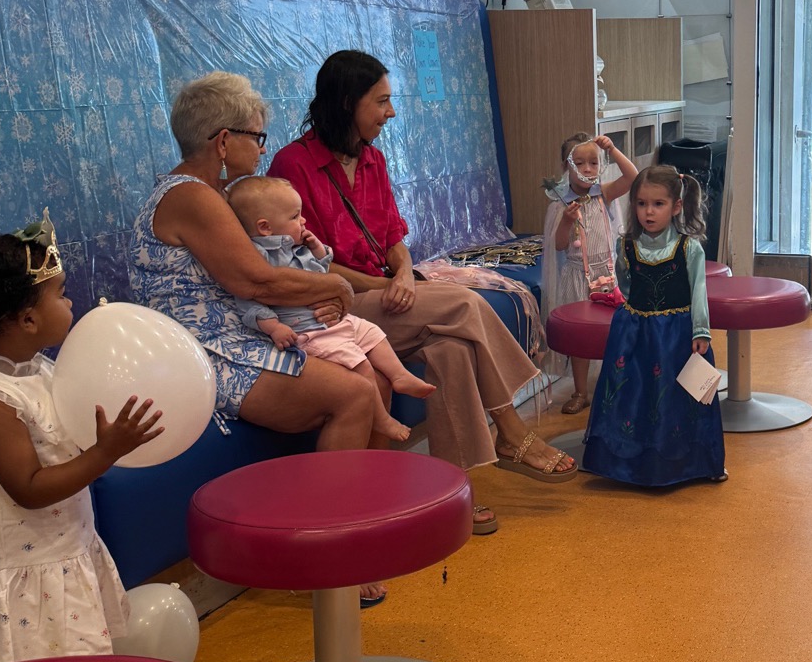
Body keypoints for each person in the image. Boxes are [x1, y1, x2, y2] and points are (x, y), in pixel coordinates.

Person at [128, 71, 400, 603]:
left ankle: (356, 528)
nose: (261, 149)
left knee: (365, 365)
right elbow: (253, 279)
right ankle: (327, 556)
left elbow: (265, 274)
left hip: (240, 335)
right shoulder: (192, 197)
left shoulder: (209, 194)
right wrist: (334, 285)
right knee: (353, 393)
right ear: (224, 141)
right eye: (257, 137)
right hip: (205, 353)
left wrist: (323, 292)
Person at [270, 51, 574, 512]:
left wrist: (406, 274)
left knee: (451, 350)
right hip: (336, 308)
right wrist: (385, 287)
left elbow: (394, 236)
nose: (391, 113)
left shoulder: (372, 160)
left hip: (386, 297)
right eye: (382, 102)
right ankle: (512, 430)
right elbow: (306, 261)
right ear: (348, 102)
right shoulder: (292, 165)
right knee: (464, 304)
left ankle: (455, 496)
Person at [0, 217, 161, 662]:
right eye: (61, 293)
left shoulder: (38, 369)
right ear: (28, 319)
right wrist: (106, 452)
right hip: (23, 581)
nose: (70, 302)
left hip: (62, 556)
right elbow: (29, 488)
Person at [227, 176, 436, 446]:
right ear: (265, 227)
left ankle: (399, 376)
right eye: (295, 216)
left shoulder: (296, 248)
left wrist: (318, 252)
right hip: (309, 332)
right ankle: (381, 418)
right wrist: (273, 327)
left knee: (372, 333)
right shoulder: (257, 258)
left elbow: (319, 274)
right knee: (360, 364)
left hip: (333, 322)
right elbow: (249, 303)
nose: (303, 222)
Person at [581, 165, 726, 488]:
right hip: (634, 334)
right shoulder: (627, 245)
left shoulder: (689, 248)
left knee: (677, 400)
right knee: (633, 395)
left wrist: (700, 331)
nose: (649, 212)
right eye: (642, 203)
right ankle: (624, 462)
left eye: (658, 204)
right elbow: (626, 285)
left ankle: (687, 464)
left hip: (675, 336)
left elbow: (699, 291)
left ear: (676, 206)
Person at [540, 131, 636, 411]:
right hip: (576, 279)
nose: (587, 170)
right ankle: (580, 392)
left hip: (606, 277)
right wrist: (567, 223)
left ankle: (612, 386)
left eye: (594, 163)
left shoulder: (603, 194)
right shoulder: (561, 204)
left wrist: (614, 150)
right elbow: (558, 245)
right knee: (582, 339)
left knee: (613, 334)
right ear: (565, 167)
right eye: (579, 164)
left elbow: (632, 177)